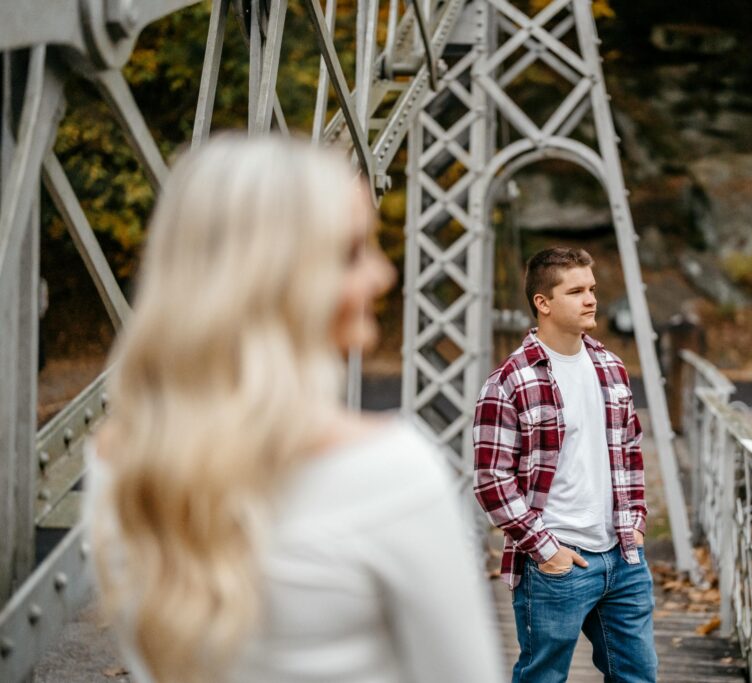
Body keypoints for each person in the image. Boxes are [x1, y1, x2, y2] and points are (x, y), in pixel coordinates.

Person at [85, 135, 504, 683]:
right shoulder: (390, 471)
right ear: (274, 278)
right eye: (352, 253)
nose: (383, 275)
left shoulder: (120, 461)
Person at [473, 247, 657, 683]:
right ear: (544, 303)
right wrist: (546, 551)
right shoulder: (509, 382)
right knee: (543, 677)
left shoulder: (611, 368)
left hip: (622, 557)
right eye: (576, 291)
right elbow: (491, 481)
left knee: (639, 676)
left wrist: (634, 522)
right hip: (556, 563)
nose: (591, 299)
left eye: (592, 289)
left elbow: (629, 448)